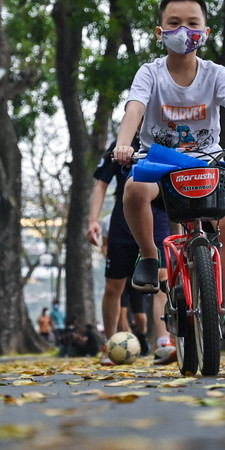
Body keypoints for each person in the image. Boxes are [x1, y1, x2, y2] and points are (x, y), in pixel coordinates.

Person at [112, 0, 225, 338]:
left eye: (193, 23)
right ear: (160, 32)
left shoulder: (215, 74)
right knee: (134, 191)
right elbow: (134, 108)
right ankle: (150, 258)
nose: (184, 31)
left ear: (206, 32)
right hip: (160, 161)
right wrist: (124, 143)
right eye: (174, 23)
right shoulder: (150, 74)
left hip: (206, 162)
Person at [88, 138, 173, 364]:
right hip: (122, 224)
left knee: (162, 280)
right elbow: (101, 184)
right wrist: (93, 220)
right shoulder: (121, 143)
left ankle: (164, 343)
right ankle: (108, 344)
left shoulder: (166, 139)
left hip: (158, 220)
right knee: (114, 285)